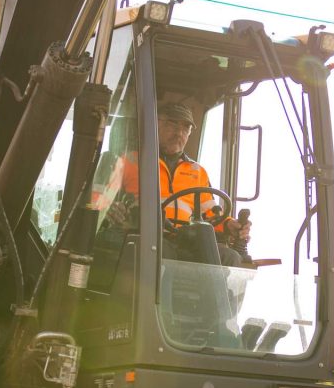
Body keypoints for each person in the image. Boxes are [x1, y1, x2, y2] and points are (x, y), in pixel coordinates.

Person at [103, 102, 250, 267]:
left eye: (186, 128)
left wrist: (230, 225)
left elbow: (211, 213)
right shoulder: (129, 161)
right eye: (172, 124)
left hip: (185, 240)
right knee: (161, 252)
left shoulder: (197, 171)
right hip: (145, 236)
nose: (179, 133)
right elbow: (102, 203)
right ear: (156, 124)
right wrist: (111, 209)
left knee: (230, 257)